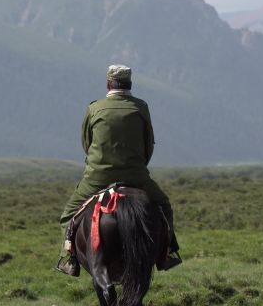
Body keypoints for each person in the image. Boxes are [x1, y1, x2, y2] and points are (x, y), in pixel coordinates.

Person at [56, 64, 181, 276]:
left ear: (108, 84)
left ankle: (70, 259)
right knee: (163, 205)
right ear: (130, 84)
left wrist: (99, 163)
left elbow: (86, 142)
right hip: (135, 175)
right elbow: (148, 144)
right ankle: (167, 253)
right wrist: (138, 166)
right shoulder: (141, 107)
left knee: (69, 215)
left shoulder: (94, 108)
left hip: (97, 177)